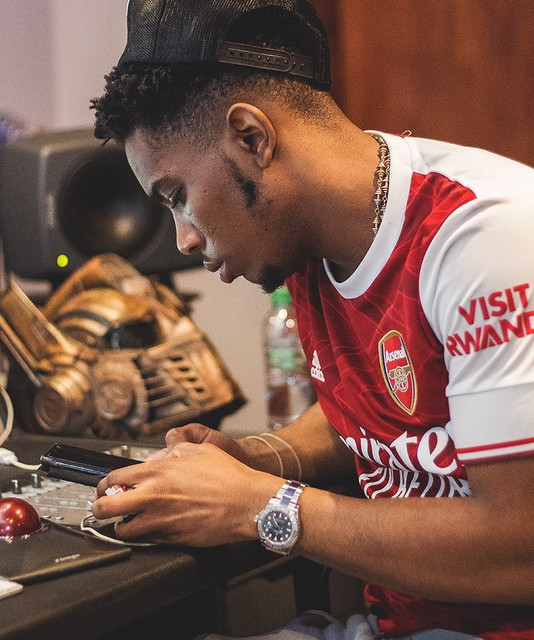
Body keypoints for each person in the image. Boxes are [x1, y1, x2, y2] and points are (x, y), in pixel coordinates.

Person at [90, 1, 534, 638]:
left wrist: (260, 506)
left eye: (178, 196)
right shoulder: (308, 242)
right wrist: (253, 460)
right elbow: (389, 415)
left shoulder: (483, 239)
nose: (184, 238)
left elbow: (521, 545)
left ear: (252, 138)